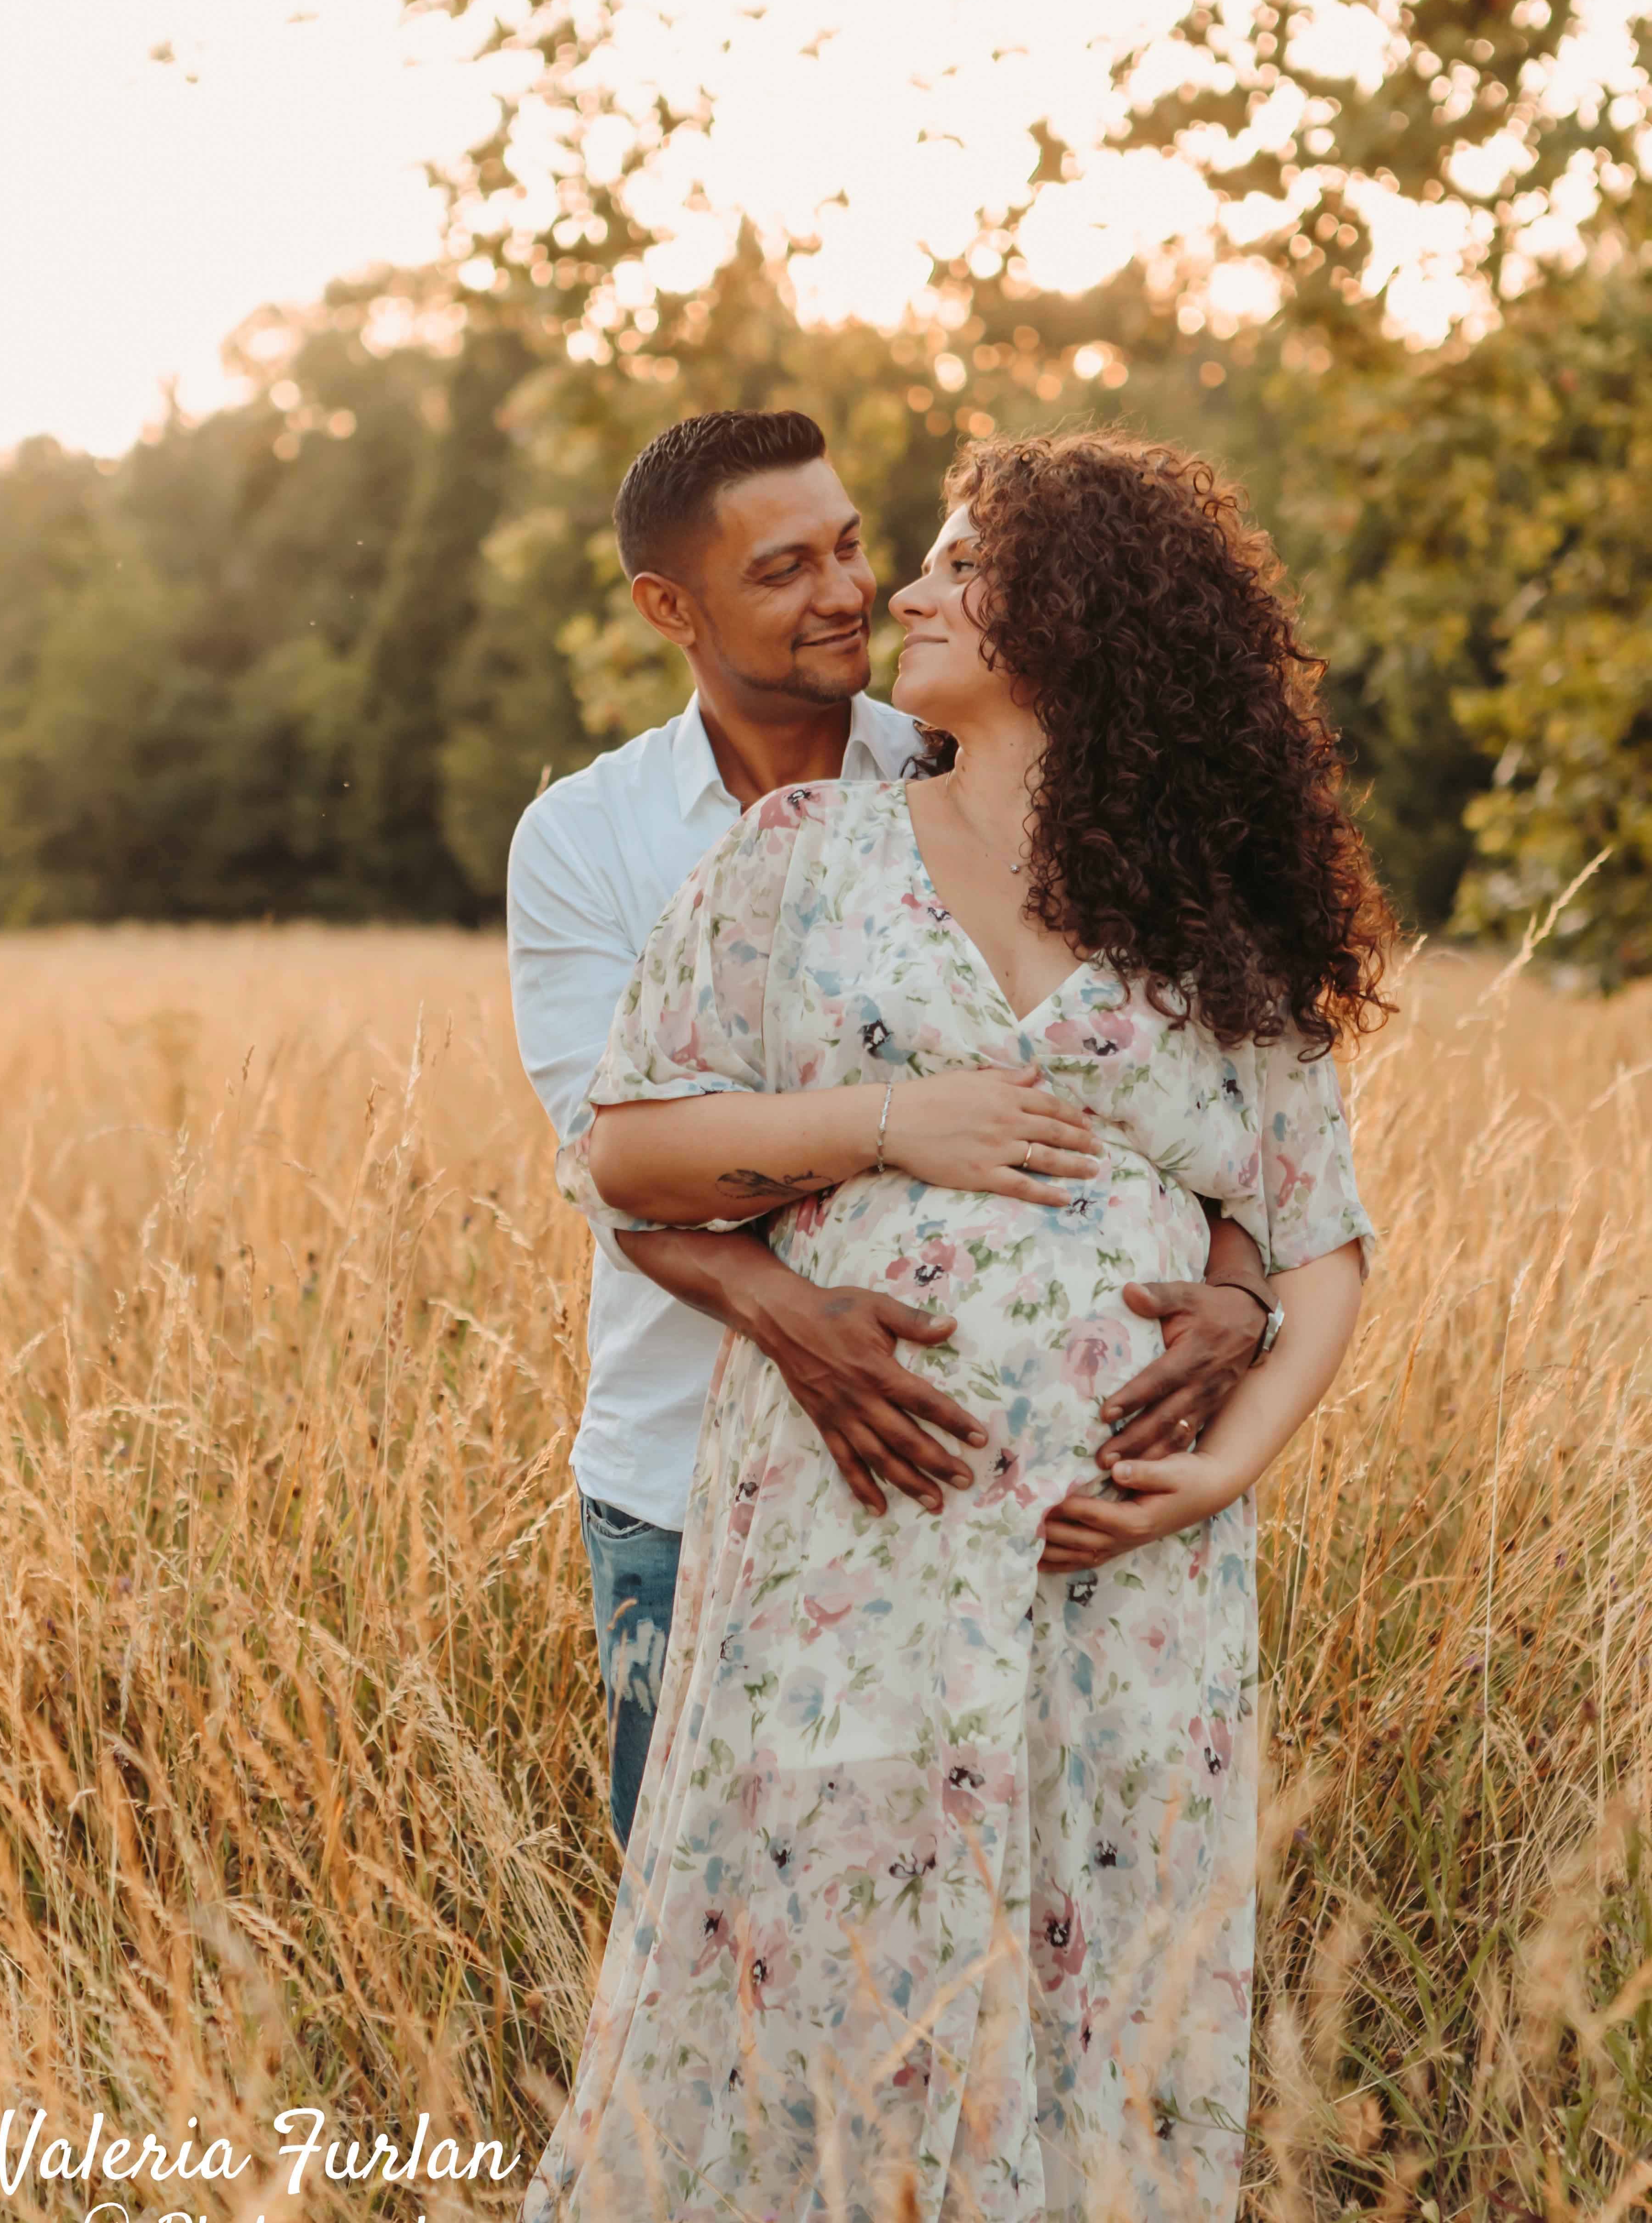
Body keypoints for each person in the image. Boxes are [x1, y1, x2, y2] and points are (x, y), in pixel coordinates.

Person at [510, 426, 1391, 2223]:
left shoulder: (1197, 914)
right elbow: (628, 1146)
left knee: (1092, 1921)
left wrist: (1230, 1445)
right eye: (868, 563)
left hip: (1118, 1565)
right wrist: (896, 1130)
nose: (895, 595)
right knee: (816, 1906)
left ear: (1070, 625)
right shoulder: (794, 855)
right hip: (840, 1534)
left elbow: (1318, 1230)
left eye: (943, 567)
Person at [506, 410, 1280, 1852]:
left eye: (855, 544)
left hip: (1000, 1493)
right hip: (689, 1463)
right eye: (787, 567)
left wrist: (1242, 1284)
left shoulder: (974, 746)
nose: (851, 590)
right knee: (715, 1908)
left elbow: (1192, 1092)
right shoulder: (590, 840)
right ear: (671, 608)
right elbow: (614, 1158)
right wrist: (803, 1295)